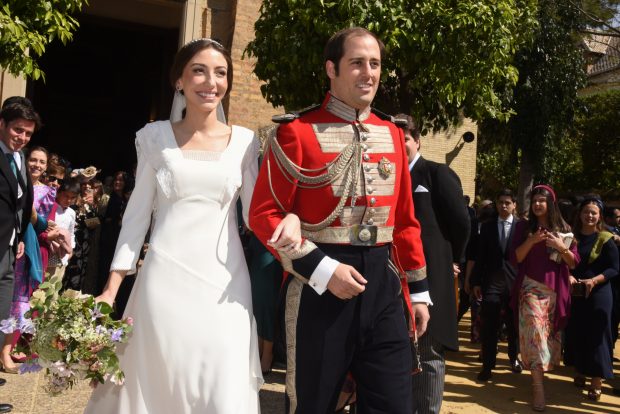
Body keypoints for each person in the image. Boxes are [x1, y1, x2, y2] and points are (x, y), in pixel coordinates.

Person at [85, 38, 299, 414]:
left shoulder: (246, 143)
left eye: (220, 73)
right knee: (158, 384)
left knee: (221, 384)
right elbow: (136, 218)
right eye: (199, 70)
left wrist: (293, 219)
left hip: (227, 288)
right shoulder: (153, 138)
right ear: (179, 81)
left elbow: (258, 215)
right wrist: (111, 288)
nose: (210, 81)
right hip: (162, 286)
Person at [250, 27, 429, 413]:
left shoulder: (393, 133)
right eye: (357, 63)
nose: (369, 73)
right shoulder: (294, 132)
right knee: (312, 405)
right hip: (318, 286)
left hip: (383, 285)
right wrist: (323, 269)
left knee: (394, 405)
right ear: (331, 68)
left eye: (376, 64)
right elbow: (264, 215)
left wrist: (418, 292)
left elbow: (405, 220)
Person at [400, 113, 470, 413]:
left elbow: (461, 224)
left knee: (428, 351)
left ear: (416, 140)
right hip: (395, 277)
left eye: (404, 139)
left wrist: (450, 260)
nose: (399, 144)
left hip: (431, 278)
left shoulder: (436, 174)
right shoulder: (386, 177)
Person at [510, 184, 579, 411]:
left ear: (551, 203)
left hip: (555, 291)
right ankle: (538, 388)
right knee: (535, 334)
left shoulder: (564, 228)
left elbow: (573, 263)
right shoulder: (523, 227)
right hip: (530, 288)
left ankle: (539, 375)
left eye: (542, 200)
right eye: (535, 200)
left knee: (548, 336)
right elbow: (516, 258)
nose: (538, 204)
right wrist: (531, 241)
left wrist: (561, 247)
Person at [0, 100, 41, 413]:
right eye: (17, 129)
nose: (22, 137)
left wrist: (19, 238)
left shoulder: (21, 157)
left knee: (1, 320)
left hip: (9, 249)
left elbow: (23, 204)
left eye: (27, 133)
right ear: (2, 123)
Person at [1, 146, 55, 372]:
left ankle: (6, 352)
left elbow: (45, 224)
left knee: (19, 301)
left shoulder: (48, 192)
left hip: (30, 251)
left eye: (42, 162)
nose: (37, 165)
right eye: (33, 160)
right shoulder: (13, 179)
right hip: (9, 242)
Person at [564, 198, 619, 400]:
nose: (589, 216)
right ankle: (579, 371)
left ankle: (596, 381)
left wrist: (594, 281)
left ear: (600, 217)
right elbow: (565, 263)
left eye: (594, 213)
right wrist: (569, 276)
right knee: (578, 331)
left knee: (597, 336)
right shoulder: (572, 238)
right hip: (576, 292)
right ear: (580, 214)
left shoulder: (605, 238)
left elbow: (614, 268)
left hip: (599, 293)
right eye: (586, 212)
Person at [471, 189, 522, 381]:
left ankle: (513, 358)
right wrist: (475, 281)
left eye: (508, 202)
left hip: (514, 283)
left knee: (513, 325)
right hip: (491, 283)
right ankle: (487, 366)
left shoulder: (522, 228)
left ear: (514, 205)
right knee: (489, 326)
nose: (504, 206)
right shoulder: (487, 227)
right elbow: (480, 256)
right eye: (501, 202)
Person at [45, 179, 77, 280]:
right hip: (47, 253)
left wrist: (70, 250)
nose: (68, 200)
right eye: (66, 196)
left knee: (54, 288)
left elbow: (71, 232)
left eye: (72, 198)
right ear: (58, 193)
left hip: (62, 257)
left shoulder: (71, 213)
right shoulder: (49, 208)